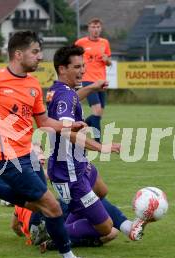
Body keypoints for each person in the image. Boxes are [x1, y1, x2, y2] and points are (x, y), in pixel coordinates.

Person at [0, 31, 100, 258]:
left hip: (28, 156)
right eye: (35, 52)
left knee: (38, 204)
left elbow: (43, 123)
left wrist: (68, 124)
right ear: (18, 54)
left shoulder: (33, 85)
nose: (39, 57)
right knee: (53, 206)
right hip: (8, 159)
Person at [46, 45, 147, 247]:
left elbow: (74, 98)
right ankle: (56, 236)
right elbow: (67, 132)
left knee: (101, 190)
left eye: (83, 66)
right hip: (69, 172)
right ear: (62, 69)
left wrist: (92, 87)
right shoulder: (65, 96)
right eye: (77, 67)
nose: (83, 70)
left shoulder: (62, 90)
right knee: (107, 229)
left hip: (78, 162)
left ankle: (87, 215)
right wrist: (101, 147)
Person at [75, 18, 112, 142]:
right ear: (88, 28)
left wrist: (106, 60)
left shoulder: (104, 43)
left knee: (99, 113)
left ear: (100, 29)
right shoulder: (80, 43)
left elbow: (108, 62)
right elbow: (72, 57)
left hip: (102, 81)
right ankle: (97, 141)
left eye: (97, 27)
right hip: (88, 80)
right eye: (93, 27)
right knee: (96, 110)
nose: (95, 30)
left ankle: (81, 126)